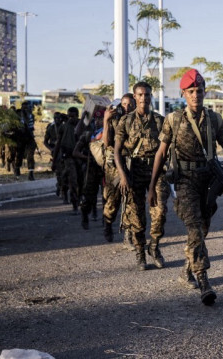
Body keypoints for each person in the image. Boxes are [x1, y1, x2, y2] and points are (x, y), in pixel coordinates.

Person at [148, 69, 223, 306]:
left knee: (203, 228)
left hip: (209, 181)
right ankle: (204, 280)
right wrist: (151, 188)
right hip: (185, 181)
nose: (196, 95)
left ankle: (188, 268)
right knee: (195, 228)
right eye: (191, 92)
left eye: (199, 91)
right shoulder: (174, 119)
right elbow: (161, 153)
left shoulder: (215, 119)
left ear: (204, 92)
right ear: (184, 94)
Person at [114, 82, 170, 271]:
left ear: (151, 96)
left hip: (156, 171)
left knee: (160, 211)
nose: (144, 98)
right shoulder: (126, 121)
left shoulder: (160, 121)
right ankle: (140, 251)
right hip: (134, 171)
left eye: (147, 95)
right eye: (140, 95)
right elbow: (117, 151)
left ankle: (154, 246)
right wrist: (123, 176)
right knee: (136, 215)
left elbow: (167, 150)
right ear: (135, 97)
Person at [103, 93, 135, 247]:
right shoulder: (115, 120)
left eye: (130, 104)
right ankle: (108, 223)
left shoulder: (137, 120)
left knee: (131, 200)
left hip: (132, 164)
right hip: (115, 165)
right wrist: (106, 120)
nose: (127, 107)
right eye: (124, 104)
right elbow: (106, 142)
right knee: (113, 202)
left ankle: (128, 235)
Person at [74, 111, 105, 230]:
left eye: (100, 119)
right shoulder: (88, 135)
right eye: (96, 119)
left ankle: (106, 221)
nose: (98, 121)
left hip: (104, 170)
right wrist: (87, 157)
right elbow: (75, 152)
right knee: (88, 197)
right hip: (90, 170)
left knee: (106, 197)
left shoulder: (107, 134)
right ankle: (85, 216)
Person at [53, 107, 81, 213]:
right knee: (72, 180)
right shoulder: (64, 127)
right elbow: (58, 144)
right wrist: (55, 160)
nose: (71, 118)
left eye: (73, 116)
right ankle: (74, 204)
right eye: (69, 116)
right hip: (69, 157)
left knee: (81, 181)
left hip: (81, 157)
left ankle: (79, 198)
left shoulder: (82, 125)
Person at [44, 112, 65, 197]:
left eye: (59, 118)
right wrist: (51, 149)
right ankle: (60, 186)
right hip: (56, 152)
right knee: (59, 171)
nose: (57, 120)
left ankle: (62, 187)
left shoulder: (65, 126)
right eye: (55, 118)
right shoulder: (51, 127)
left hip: (64, 150)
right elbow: (45, 141)